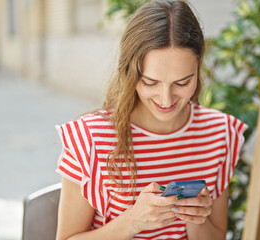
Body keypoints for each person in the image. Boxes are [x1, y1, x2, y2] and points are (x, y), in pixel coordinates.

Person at [55, 0, 247, 239]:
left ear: (199, 67)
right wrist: (132, 222)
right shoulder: (89, 139)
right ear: (130, 72)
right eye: (150, 82)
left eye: (183, 82)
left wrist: (196, 220)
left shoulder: (219, 133)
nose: (166, 100)